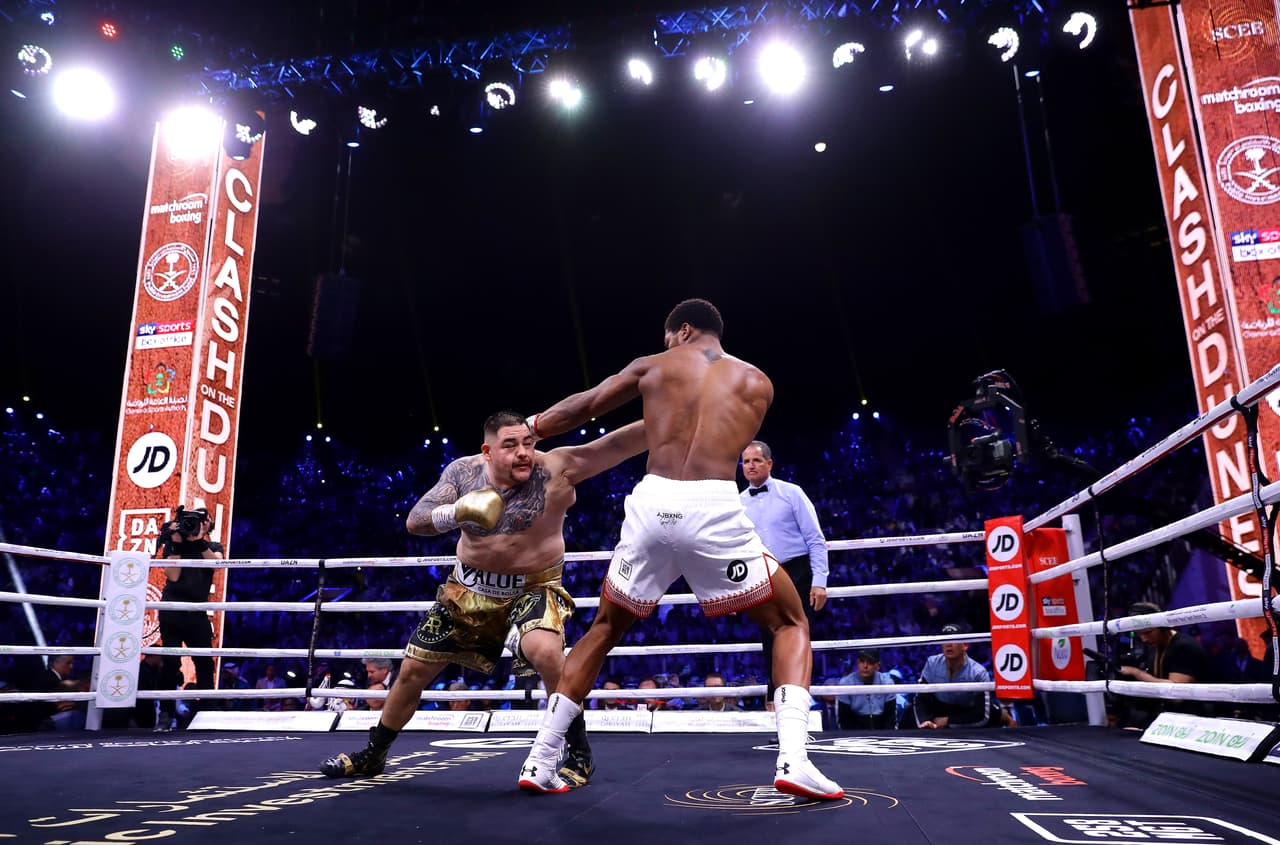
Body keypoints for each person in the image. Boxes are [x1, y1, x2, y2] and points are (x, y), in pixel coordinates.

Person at [518, 298, 842, 800]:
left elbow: (586, 405)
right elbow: (717, 432)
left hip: (652, 502)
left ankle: (540, 760)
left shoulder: (654, 364)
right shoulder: (759, 383)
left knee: (604, 627)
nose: (666, 344)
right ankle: (794, 759)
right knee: (789, 622)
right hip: (714, 502)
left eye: (668, 336)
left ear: (682, 330)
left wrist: (530, 429)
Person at [319, 410, 647, 788]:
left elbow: (620, 445)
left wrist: (681, 411)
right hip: (468, 590)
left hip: (533, 586)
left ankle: (578, 751)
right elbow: (415, 520)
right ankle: (373, 754)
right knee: (412, 671)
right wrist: (456, 511)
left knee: (545, 651)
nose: (523, 452)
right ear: (487, 451)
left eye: (528, 442)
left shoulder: (558, 468)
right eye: (510, 445)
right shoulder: (463, 473)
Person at [740, 440, 829, 703]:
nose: (751, 466)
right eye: (746, 461)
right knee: (770, 642)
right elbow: (733, 548)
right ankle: (777, 710)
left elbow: (815, 538)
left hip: (797, 572)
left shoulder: (792, 493)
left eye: (756, 460)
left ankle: (798, 706)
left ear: (770, 463)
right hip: (761, 573)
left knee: (797, 639)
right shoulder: (738, 503)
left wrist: (820, 581)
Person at [156, 506, 223, 729]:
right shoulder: (174, 545)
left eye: (200, 522)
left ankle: (206, 712)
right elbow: (173, 576)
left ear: (208, 525)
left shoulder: (212, 547)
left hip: (197, 614)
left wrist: (198, 539)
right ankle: (165, 714)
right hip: (172, 612)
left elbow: (216, 563)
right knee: (171, 662)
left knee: (204, 663)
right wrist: (176, 540)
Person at [1113, 601, 1212, 728]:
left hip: (1193, 721)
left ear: (1163, 626)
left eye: (1148, 633)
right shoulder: (1156, 647)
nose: (1144, 639)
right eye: (1139, 634)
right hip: (1168, 719)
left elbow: (1177, 694)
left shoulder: (1183, 647)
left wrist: (1136, 673)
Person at [912, 624, 1006, 729]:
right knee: (909, 714)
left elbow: (981, 715)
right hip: (938, 709)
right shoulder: (932, 663)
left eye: (954, 640)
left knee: (995, 715)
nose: (949, 644)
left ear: (965, 645)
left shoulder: (978, 673)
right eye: (945, 640)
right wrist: (925, 721)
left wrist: (949, 720)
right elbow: (921, 698)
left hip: (966, 712)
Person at [835, 649, 897, 729]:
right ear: (857, 663)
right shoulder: (846, 683)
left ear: (878, 666)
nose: (865, 666)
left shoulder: (887, 683)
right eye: (862, 661)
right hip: (855, 728)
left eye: (870, 662)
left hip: (881, 726)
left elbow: (891, 717)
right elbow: (844, 719)